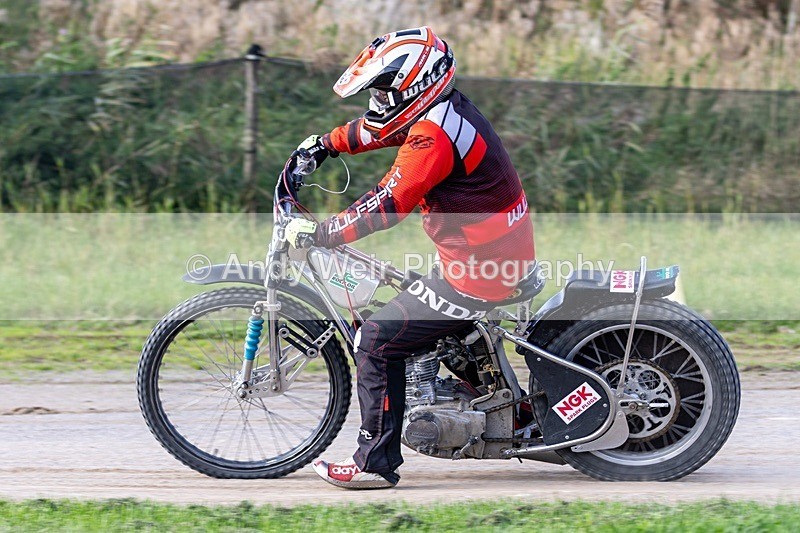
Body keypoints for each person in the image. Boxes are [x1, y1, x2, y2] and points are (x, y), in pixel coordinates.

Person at [283, 26, 535, 489]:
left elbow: (385, 204)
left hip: (479, 273)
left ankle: (374, 465)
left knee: (374, 339)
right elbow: (382, 127)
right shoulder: (446, 111)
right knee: (405, 305)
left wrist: (320, 233)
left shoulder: (432, 138)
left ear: (414, 85)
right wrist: (325, 144)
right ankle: (489, 393)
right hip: (490, 257)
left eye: (384, 90)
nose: (379, 100)